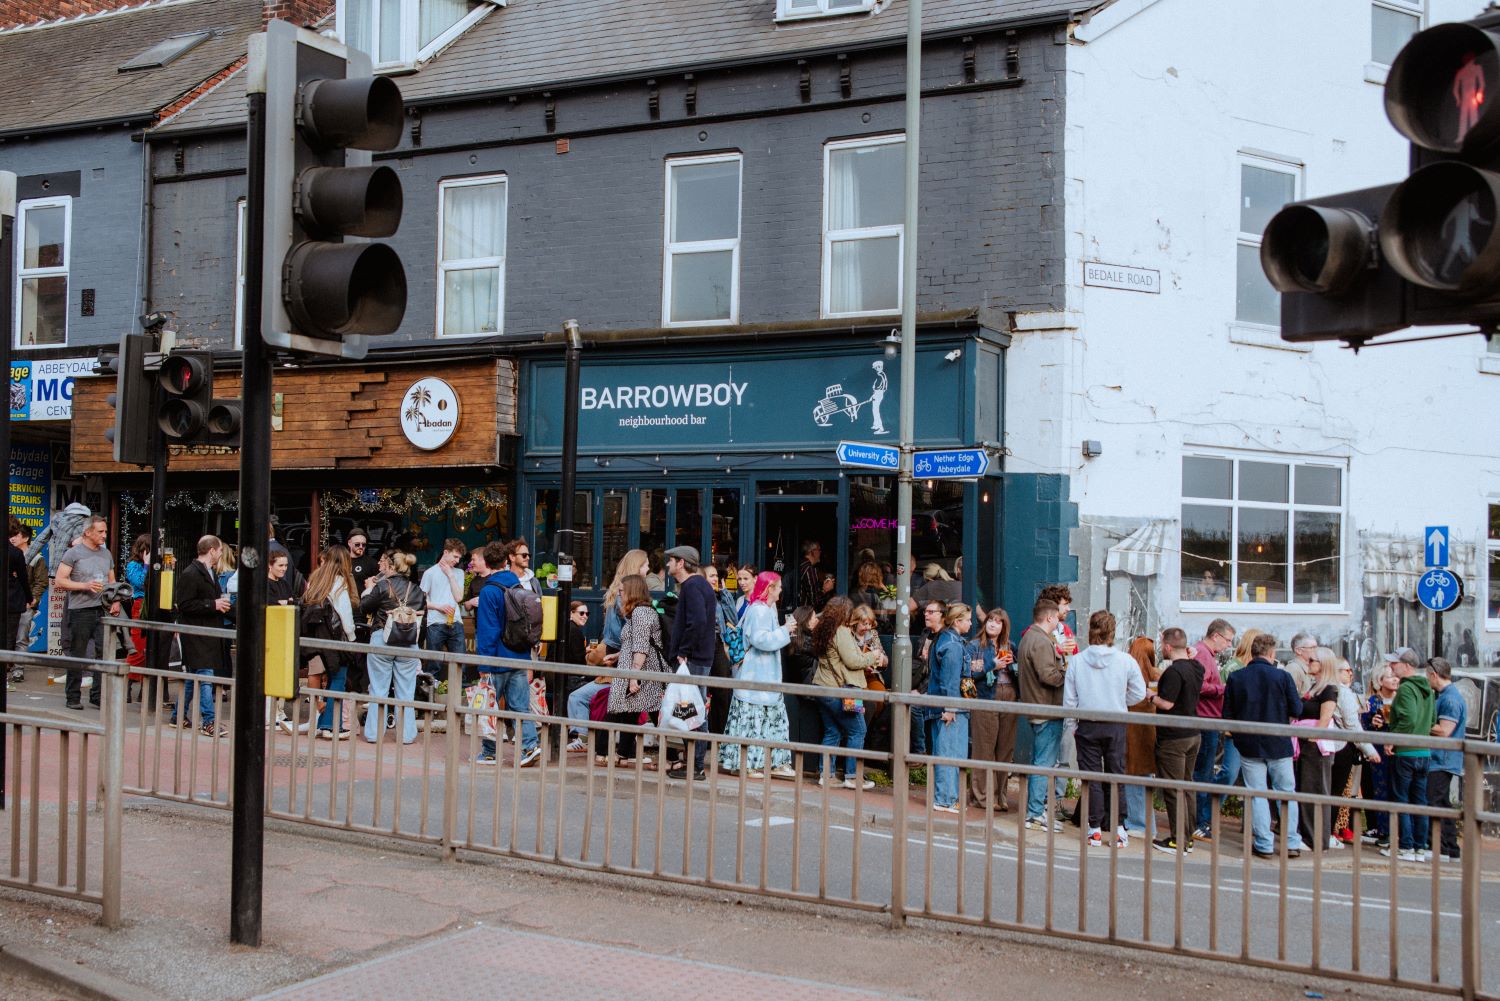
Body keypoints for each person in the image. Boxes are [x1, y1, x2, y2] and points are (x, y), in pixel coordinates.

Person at [1063, 610, 1145, 848]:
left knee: (1092, 778)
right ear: (1113, 632)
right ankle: (1119, 829)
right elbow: (1139, 692)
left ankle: (1095, 829)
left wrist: (1072, 724)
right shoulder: (1125, 660)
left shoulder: (1077, 661)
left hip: (1087, 722)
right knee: (1115, 775)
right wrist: (1121, 701)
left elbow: (1069, 700)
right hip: (1115, 721)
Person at [1224, 632, 1305, 859]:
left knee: (1256, 793)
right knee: (1286, 792)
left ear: (1252, 652)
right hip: (1279, 742)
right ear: (1272, 653)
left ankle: (1264, 843)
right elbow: (1297, 709)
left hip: (1249, 743)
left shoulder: (1236, 677)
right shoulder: (1282, 677)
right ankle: (1291, 842)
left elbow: (1227, 714)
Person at [720, 571, 796, 777]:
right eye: (778, 586)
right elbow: (760, 639)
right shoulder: (760, 610)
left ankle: (764, 762)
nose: (781, 590)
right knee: (762, 719)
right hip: (757, 675)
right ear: (770, 588)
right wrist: (785, 630)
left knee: (764, 719)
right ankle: (750, 763)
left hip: (761, 675)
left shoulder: (763, 608)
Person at [475, 540, 542, 767]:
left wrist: (484, 664)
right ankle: (529, 746)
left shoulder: (489, 591)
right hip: (519, 655)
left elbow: (488, 630)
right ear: (506, 561)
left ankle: (490, 752)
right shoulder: (518, 587)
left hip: (496, 658)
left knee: (490, 706)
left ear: (486, 563)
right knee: (520, 706)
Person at [811, 596, 883, 789]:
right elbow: (852, 661)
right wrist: (872, 656)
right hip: (843, 691)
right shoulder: (841, 631)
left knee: (832, 731)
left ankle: (827, 775)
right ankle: (852, 777)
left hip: (823, 687)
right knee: (858, 730)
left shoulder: (823, 630)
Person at [596, 574, 667, 764]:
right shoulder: (637, 613)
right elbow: (636, 643)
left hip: (642, 671)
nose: (619, 594)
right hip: (638, 669)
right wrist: (618, 655)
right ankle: (622, 754)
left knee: (620, 709)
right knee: (631, 710)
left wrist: (633, 677)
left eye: (621, 591)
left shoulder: (641, 613)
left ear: (631, 591)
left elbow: (641, 647)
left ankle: (603, 752)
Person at [360, 551, 426, 745]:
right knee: (406, 690)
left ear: (390, 567)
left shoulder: (382, 586)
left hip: (383, 638)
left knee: (378, 688)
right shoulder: (417, 590)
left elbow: (364, 607)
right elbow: (423, 618)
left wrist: (369, 588)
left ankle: (374, 734)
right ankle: (407, 735)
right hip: (409, 642)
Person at [56, 515, 120, 710]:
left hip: (102, 609)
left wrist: (116, 600)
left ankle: (97, 696)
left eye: (105, 531)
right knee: (78, 653)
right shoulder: (73, 553)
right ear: (88, 532)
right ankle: (73, 696)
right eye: (100, 531)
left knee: (103, 652)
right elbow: (60, 580)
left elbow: (112, 581)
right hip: (80, 609)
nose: (104, 535)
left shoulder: (106, 554)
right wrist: (84, 585)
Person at [664, 545, 717, 780]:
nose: (668, 564)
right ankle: (694, 764)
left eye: (671, 560)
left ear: (681, 563)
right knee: (691, 709)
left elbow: (697, 621)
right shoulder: (698, 585)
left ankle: (696, 767)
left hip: (692, 659)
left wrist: (683, 651)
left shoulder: (693, 585)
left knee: (692, 711)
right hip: (697, 657)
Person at [293, 546, 357, 737]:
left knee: (331, 677)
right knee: (338, 679)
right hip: (336, 638)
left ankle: (323, 723)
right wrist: (352, 638)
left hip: (319, 637)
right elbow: (345, 615)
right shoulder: (340, 582)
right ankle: (330, 725)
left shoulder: (317, 579)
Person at [173, 535, 232, 736]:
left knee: (194, 676)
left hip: (206, 630)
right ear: (212, 550)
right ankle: (209, 721)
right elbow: (184, 604)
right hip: (196, 632)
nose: (222, 554)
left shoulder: (209, 572)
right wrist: (213, 604)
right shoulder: (191, 573)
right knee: (205, 675)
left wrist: (219, 605)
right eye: (220, 550)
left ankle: (178, 715)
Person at [1017, 597, 1066, 831]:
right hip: (1047, 708)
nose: (1058, 622)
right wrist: (1068, 673)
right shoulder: (1041, 640)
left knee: (1040, 761)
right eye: (1056, 618)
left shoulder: (1030, 637)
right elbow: (1049, 676)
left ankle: (1035, 811)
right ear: (1049, 617)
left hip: (1037, 706)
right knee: (1043, 763)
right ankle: (1035, 813)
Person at [1152, 627, 1202, 852]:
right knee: (1187, 786)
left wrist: (1151, 696)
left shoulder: (1173, 672)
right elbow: (1196, 662)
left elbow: (1167, 703)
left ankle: (1177, 840)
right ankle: (1187, 838)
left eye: (1162, 644)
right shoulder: (1196, 668)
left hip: (1173, 737)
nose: (1161, 648)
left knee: (1173, 789)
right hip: (1193, 734)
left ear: (1168, 646)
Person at [1383, 647, 1435, 861]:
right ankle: (1420, 847)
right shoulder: (1428, 689)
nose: (1391, 666)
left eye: (1395, 663)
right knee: (1420, 800)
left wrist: (1392, 739)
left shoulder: (1405, 689)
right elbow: (1431, 721)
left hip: (1406, 752)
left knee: (1401, 798)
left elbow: (1409, 719)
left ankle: (1405, 846)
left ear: (1406, 665)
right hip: (1424, 751)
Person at [965, 607, 1018, 811]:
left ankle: (1000, 796)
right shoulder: (974, 645)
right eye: (990, 620)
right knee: (984, 748)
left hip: (1009, 694)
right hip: (986, 695)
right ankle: (981, 797)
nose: (993, 624)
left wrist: (1013, 666)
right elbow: (968, 673)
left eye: (998, 621)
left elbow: (1019, 674)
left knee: (1005, 749)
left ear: (1004, 626)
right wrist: (991, 665)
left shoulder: (1011, 646)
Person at [1188, 618, 1235, 843]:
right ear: (1215, 636)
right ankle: (1198, 823)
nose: (1229, 645)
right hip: (1205, 720)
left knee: (1203, 772)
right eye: (1227, 640)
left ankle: (1199, 821)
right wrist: (1222, 689)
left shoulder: (1205, 654)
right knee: (1203, 773)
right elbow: (1200, 686)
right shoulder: (1202, 654)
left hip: (1207, 719)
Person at [928, 603, 974, 813]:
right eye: (968, 620)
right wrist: (950, 708)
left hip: (946, 706)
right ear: (957, 621)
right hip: (952, 708)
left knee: (947, 752)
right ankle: (945, 799)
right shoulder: (953, 645)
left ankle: (946, 798)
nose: (970, 624)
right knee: (950, 753)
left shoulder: (944, 640)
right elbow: (950, 680)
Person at [1329, 656, 1380, 844]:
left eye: (1351, 670)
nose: (1351, 673)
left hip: (1330, 746)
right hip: (1343, 746)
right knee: (1336, 791)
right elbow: (1352, 726)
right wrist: (1369, 750)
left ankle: (1329, 831)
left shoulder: (1328, 689)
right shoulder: (1343, 693)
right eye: (1346, 670)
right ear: (1336, 672)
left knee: (1333, 790)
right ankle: (1329, 832)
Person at [1296, 646, 1341, 851]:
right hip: (1307, 743)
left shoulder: (1329, 689)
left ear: (1323, 664)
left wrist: (1313, 738)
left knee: (1315, 790)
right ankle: (1311, 836)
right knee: (1307, 789)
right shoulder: (1315, 688)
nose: (1308, 662)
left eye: (1312, 660)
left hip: (1316, 746)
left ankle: (1315, 838)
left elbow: (1325, 718)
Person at [1426, 656, 1466, 863]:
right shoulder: (1449, 696)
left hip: (1442, 759)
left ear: (1434, 675)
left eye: (1427, 675)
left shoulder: (1450, 699)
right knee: (1441, 802)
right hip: (1444, 759)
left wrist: (1421, 721)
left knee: (1434, 801)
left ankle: (1440, 847)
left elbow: (1444, 731)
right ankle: (1450, 848)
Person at [1123, 635, 1161, 835]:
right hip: (1150, 731)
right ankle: (1147, 824)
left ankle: (1139, 823)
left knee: (1132, 774)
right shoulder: (1157, 675)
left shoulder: (1127, 673)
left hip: (1130, 730)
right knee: (1144, 777)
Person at [1360, 665, 1399, 846]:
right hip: (1378, 751)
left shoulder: (1402, 699)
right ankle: (1381, 829)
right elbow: (1362, 727)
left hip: (1398, 750)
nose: (1395, 679)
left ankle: (1396, 830)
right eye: (1390, 676)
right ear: (1380, 681)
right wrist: (1372, 723)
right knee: (1378, 789)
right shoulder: (1373, 701)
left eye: (1396, 676)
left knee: (1396, 789)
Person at [704, 563, 740, 735]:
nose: (715, 579)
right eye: (711, 576)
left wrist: (724, 591)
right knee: (704, 691)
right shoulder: (700, 597)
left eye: (716, 576)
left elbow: (733, 618)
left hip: (719, 645)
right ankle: (706, 734)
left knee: (722, 692)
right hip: (704, 646)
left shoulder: (720, 598)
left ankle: (720, 734)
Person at [911, 599, 946, 754]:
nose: (926, 615)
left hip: (935, 687)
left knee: (914, 706)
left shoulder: (945, 637)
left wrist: (920, 691)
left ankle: (920, 751)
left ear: (942, 615)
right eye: (925, 611)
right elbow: (918, 662)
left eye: (931, 612)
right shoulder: (925, 633)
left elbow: (936, 672)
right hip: (919, 681)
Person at [12, 522, 44, 673]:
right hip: (10, 602)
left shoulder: (36, 558)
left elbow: (41, 581)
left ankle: (18, 669)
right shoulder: (10, 555)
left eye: (16, 535)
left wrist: (33, 600)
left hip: (25, 603)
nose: (12, 538)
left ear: (26, 538)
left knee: (21, 637)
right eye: (11, 535)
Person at [797, 540, 833, 612]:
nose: (820, 552)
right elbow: (815, 600)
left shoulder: (800, 565)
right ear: (812, 552)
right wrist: (825, 590)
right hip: (805, 614)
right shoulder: (809, 569)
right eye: (819, 550)